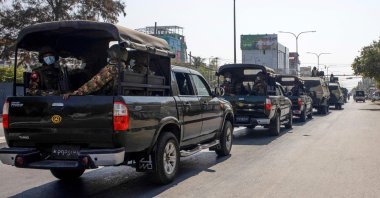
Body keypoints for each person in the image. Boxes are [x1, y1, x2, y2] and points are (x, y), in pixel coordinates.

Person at [63, 44, 128, 99]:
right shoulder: (124, 67)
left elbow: (95, 83)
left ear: (114, 55)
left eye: (110, 54)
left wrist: (76, 93)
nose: (109, 56)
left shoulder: (112, 68)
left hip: (106, 98)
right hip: (114, 97)